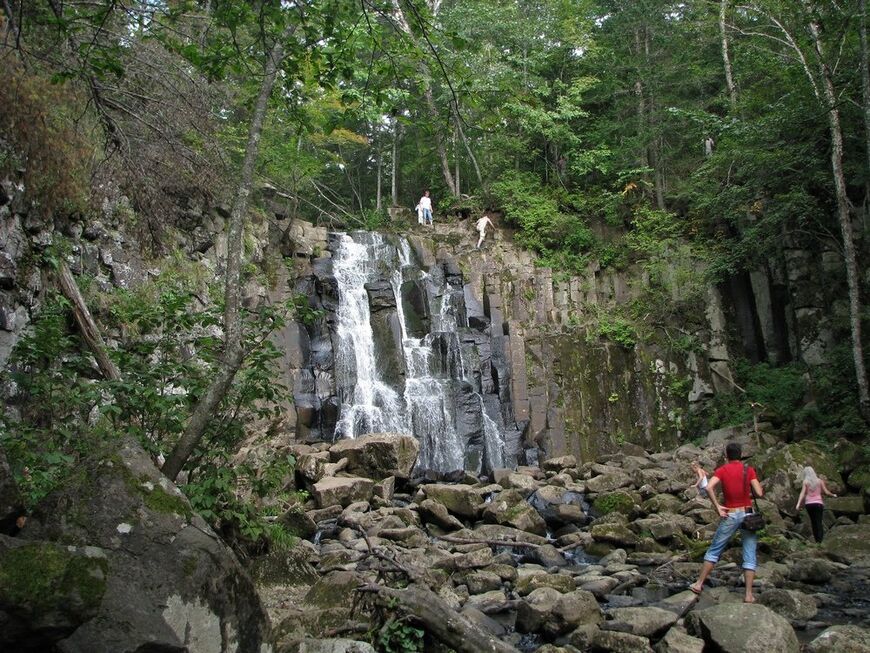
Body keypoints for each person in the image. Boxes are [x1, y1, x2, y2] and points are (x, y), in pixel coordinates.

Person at [689, 442, 764, 603]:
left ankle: (699, 583)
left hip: (730, 513)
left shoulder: (722, 470)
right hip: (748, 514)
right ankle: (749, 595)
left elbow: (708, 488)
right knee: (749, 553)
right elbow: (759, 492)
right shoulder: (748, 470)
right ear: (741, 454)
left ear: (726, 455)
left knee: (715, 549)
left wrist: (717, 507)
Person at [795, 466, 836, 543]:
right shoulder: (819, 481)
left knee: (813, 522)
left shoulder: (806, 482)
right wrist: (833, 495)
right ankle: (820, 541)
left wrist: (798, 504)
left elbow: (802, 493)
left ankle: (817, 541)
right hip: (818, 503)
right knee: (819, 522)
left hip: (809, 504)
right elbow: (826, 492)